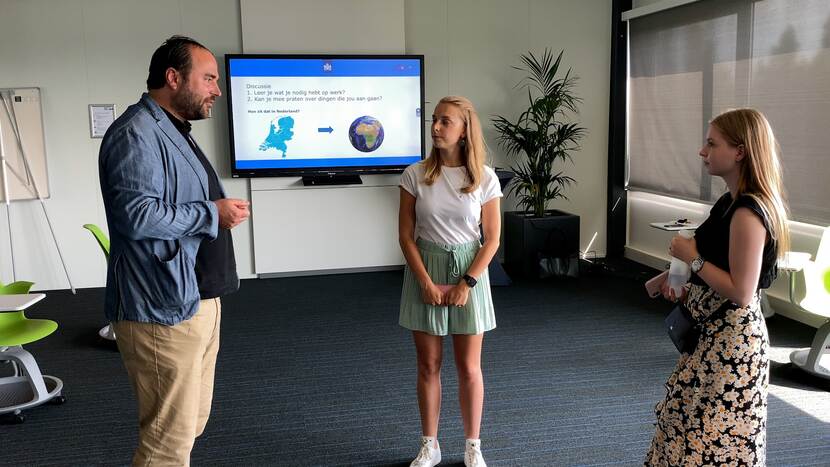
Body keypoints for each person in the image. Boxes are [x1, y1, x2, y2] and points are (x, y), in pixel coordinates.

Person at [98, 35, 250, 466]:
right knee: (167, 442)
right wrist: (210, 213)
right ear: (172, 77)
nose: (217, 90)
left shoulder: (172, 130)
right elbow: (136, 216)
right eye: (208, 78)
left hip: (195, 300)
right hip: (161, 309)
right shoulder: (136, 133)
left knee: (190, 425)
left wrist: (218, 211)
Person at [645, 108, 789, 466]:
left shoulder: (748, 213)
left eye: (712, 143)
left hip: (732, 346)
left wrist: (692, 259)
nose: (702, 151)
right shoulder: (728, 203)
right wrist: (677, 274)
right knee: (685, 431)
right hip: (711, 338)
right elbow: (716, 259)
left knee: (713, 443)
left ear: (739, 151)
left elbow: (742, 291)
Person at [398, 96, 502, 467]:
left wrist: (467, 283)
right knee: (428, 365)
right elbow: (406, 237)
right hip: (425, 266)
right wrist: (424, 281)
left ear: (464, 131)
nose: (436, 127)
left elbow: (491, 239)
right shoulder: (415, 175)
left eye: (446, 121)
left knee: (469, 367)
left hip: (469, 269)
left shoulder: (485, 178)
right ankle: (430, 444)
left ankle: (473, 446)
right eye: (434, 120)